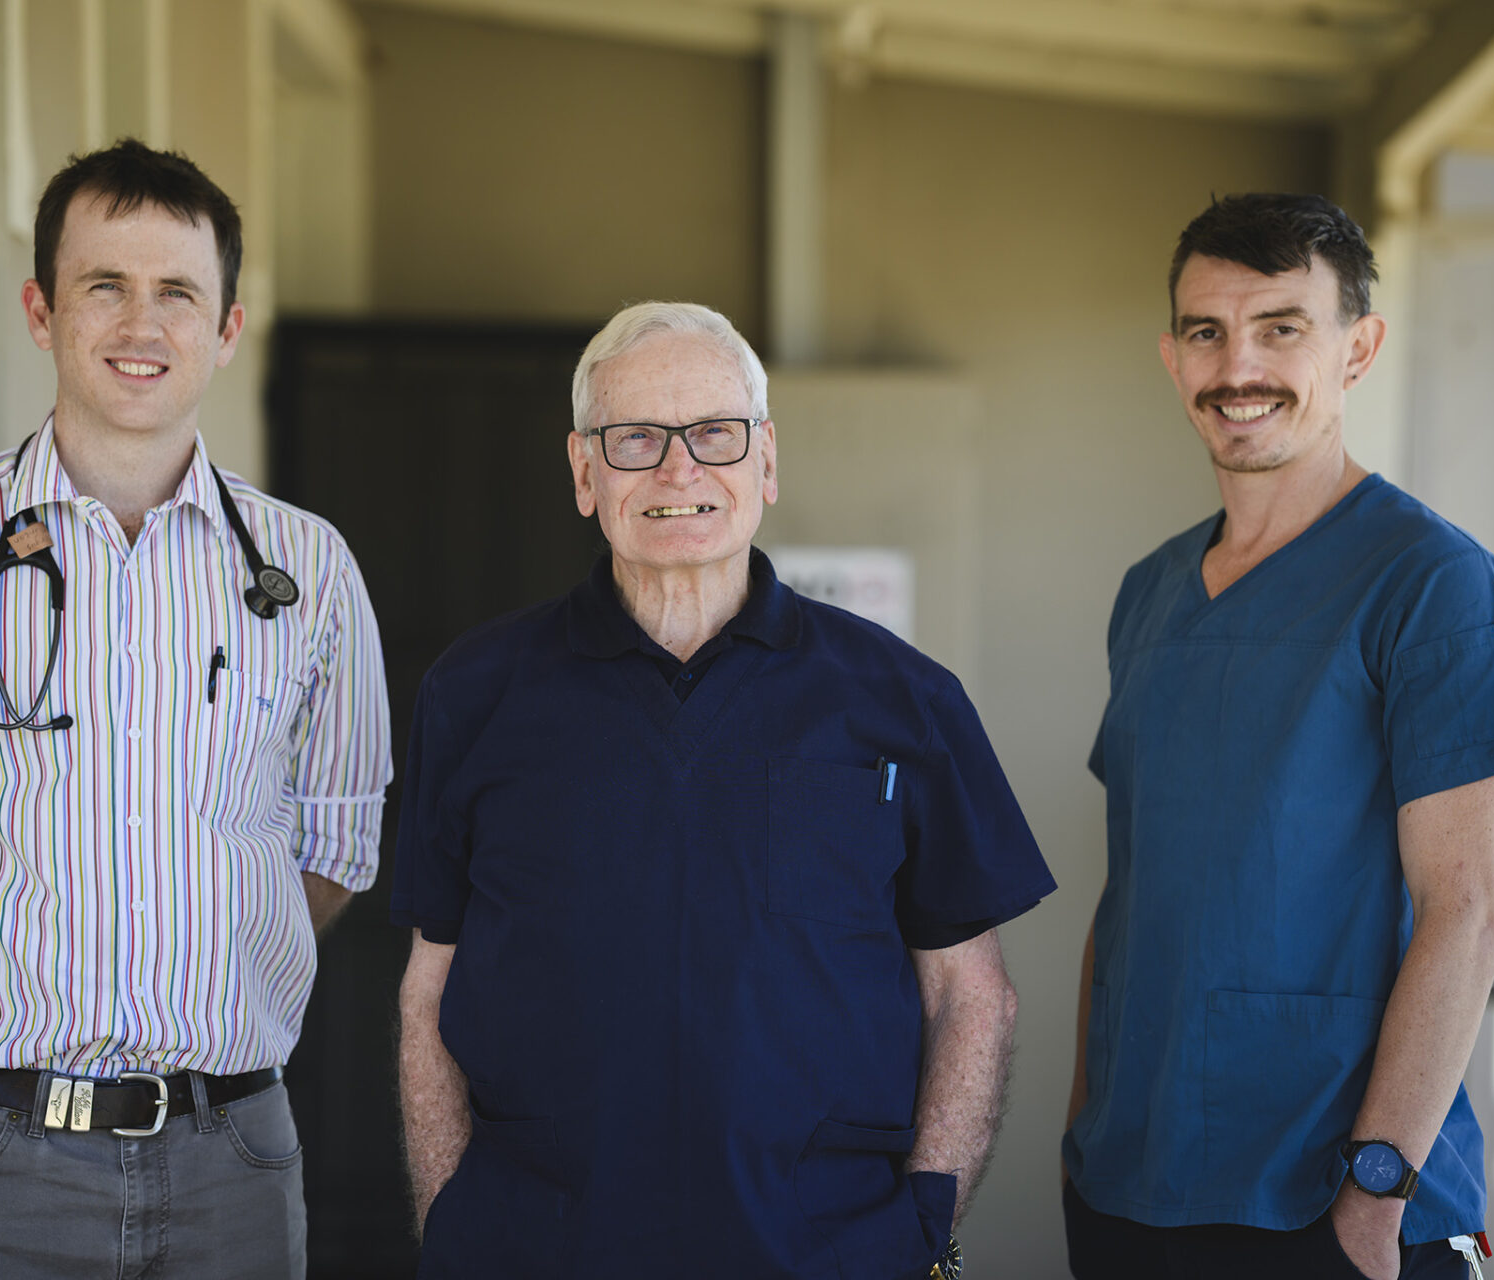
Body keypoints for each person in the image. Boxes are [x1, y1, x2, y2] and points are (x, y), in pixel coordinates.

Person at [0, 139, 390, 1279]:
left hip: (232, 1164)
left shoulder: (309, 570)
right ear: (41, 310)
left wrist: (213, 971)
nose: (141, 324)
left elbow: (338, 842)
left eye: (178, 292)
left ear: (227, 328)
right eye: (105, 284)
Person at [391, 300, 1055, 1278]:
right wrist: (453, 1226)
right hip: (538, 1250)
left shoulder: (902, 700)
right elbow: (426, 995)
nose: (678, 468)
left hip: (829, 1253)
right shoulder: (475, 691)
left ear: (767, 462)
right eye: (634, 439)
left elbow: (973, 994)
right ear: (584, 472)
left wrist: (921, 1234)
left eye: (714, 433)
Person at [1060, 193, 1494, 1280]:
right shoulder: (1149, 593)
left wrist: (1377, 1191)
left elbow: (1465, 910)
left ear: (1359, 347)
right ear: (1173, 356)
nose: (1239, 365)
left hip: (1331, 1204)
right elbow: (1135, 886)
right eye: (1207, 331)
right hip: (1129, 1190)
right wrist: (1084, 1127)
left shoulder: (1433, 586)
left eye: (1282, 326)